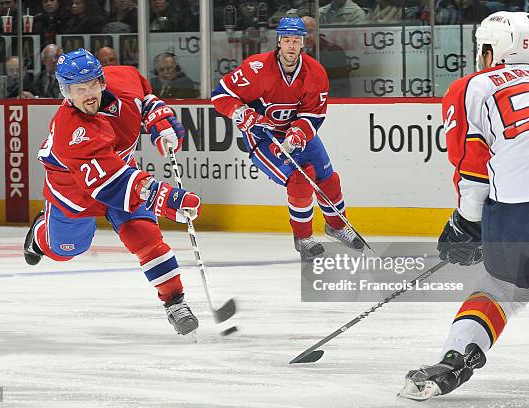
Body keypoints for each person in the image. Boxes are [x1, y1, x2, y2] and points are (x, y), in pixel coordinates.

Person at [399, 12, 529, 400]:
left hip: (521, 210)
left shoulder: (473, 86)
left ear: (490, 49)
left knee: (502, 287)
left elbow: (473, 166)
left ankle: (457, 359)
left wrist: (466, 224)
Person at [23, 48, 201, 336]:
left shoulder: (123, 80)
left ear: (103, 80)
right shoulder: (71, 130)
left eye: (93, 84)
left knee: (146, 237)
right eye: (79, 89)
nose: (89, 93)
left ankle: (175, 303)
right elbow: (112, 185)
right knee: (65, 249)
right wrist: (166, 198)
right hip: (74, 191)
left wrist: (157, 115)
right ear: (65, 92)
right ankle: (40, 234)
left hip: (121, 173)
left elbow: (144, 92)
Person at [211, 17, 364, 261]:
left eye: (296, 41)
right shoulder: (256, 68)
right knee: (300, 180)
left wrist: (297, 133)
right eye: (287, 40)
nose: (291, 46)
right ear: (279, 42)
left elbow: (313, 114)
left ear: (303, 43)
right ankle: (303, 238)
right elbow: (220, 96)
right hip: (262, 136)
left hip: (298, 133)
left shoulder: (315, 73)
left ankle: (337, 226)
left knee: (328, 179)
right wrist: (243, 114)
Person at [302, 16, 351, 97]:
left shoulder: (334, 52)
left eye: (310, 31)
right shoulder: (291, 53)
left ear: (318, 31)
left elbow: (341, 86)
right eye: (303, 32)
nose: (307, 36)